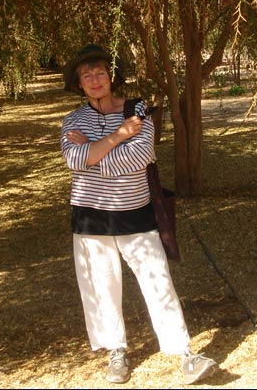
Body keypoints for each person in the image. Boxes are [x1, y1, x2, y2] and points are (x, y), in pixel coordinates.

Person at [60, 43, 218, 385]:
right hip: (90, 217)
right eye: (86, 75)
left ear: (111, 76)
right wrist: (119, 135)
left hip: (136, 213)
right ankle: (116, 351)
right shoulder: (72, 120)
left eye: (100, 72)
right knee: (102, 287)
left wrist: (92, 150)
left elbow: (139, 157)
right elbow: (74, 161)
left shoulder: (137, 109)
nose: (94, 79)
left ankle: (184, 354)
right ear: (78, 83)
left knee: (157, 280)